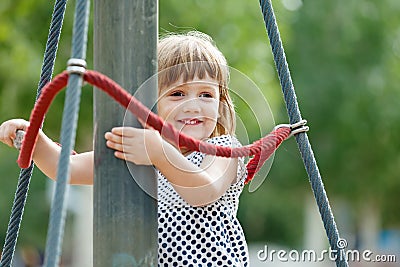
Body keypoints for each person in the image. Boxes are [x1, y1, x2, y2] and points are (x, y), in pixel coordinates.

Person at [0, 31, 249, 266]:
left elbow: (205, 190)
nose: (194, 106)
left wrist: (159, 152)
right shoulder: (139, 153)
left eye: (206, 95)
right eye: (178, 94)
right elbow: (67, 169)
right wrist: (35, 138)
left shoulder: (222, 151)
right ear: (150, 104)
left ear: (221, 103)